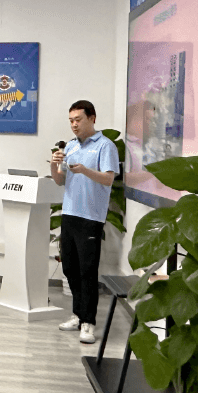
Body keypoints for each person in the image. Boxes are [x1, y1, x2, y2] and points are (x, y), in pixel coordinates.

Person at [51, 100, 119, 345]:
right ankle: (78, 315)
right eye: (71, 120)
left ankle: (88, 322)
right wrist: (54, 163)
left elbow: (108, 179)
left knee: (87, 271)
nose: (74, 124)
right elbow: (59, 180)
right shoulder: (70, 146)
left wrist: (85, 171)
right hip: (70, 213)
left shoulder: (105, 146)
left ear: (92, 118)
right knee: (70, 268)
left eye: (78, 119)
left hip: (91, 217)